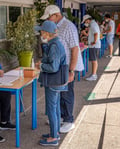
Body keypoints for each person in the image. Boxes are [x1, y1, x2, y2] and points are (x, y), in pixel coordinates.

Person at [40, 5, 84, 133]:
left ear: (56, 15)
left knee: (66, 93)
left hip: (68, 66)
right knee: (59, 93)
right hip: (59, 67)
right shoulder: (56, 27)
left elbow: (75, 49)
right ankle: (59, 117)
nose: (47, 21)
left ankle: (69, 120)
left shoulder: (68, 26)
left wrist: (71, 71)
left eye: (48, 18)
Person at [35, 20, 67, 147]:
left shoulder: (54, 46)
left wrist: (41, 66)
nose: (40, 33)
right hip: (58, 83)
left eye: (41, 31)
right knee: (56, 108)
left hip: (54, 83)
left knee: (51, 110)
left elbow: (53, 67)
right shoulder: (55, 44)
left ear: (46, 33)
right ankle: (55, 133)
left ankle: (53, 138)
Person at [82, 14, 101, 81]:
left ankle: (93, 75)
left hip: (94, 46)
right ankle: (93, 74)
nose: (85, 23)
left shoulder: (93, 25)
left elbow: (96, 33)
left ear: (88, 20)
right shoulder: (93, 24)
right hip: (94, 45)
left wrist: (94, 42)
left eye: (85, 21)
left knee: (94, 60)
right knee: (94, 60)